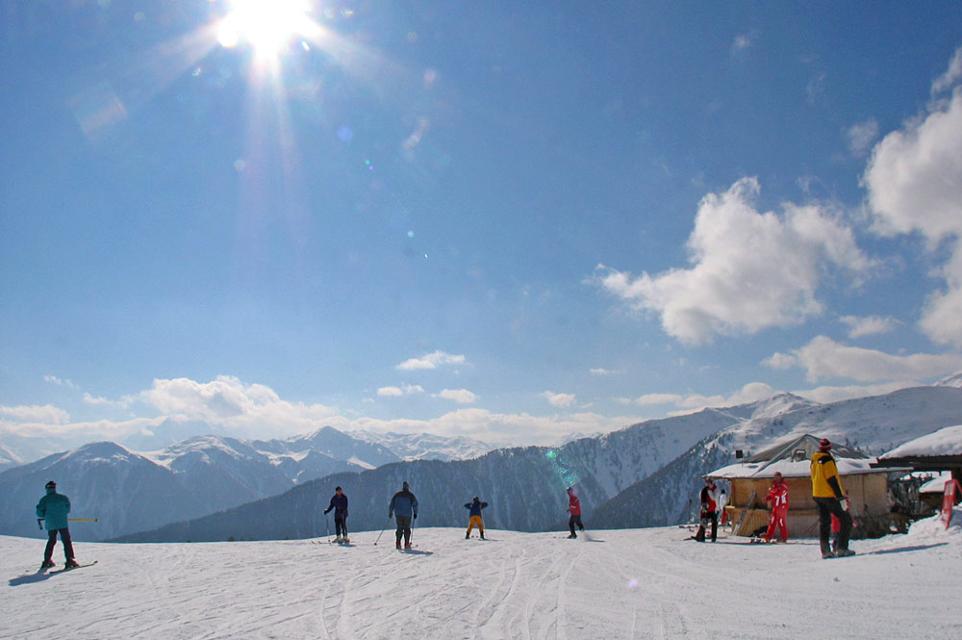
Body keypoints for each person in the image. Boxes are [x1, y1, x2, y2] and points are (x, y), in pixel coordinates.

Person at [811, 438, 854, 559]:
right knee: (846, 520)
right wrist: (840, 497)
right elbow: (832, 479)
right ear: (829, 448)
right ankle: (841, 548)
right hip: (829, 495)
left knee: (824, 523)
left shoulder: (814, 459)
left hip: (817, 494)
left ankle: (825, 551)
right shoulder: (828, 460)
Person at [35, 480, 78, 570]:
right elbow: (67, 510)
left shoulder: (44, 500)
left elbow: (39, 513)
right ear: (54, 488)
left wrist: (46, 515)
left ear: (47, 489)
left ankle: (47, 561)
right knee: (66, 541)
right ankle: (69, 560)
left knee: (51, 541)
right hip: (62, 523)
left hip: (51, 524)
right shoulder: (63, 498)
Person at [389, 481, 418, 550]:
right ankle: (407, 544)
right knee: (407, 529)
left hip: (398, 514)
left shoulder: (397, 495)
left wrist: (390, 512)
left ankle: (398, 543)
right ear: (407, 487)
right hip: (407, 515)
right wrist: (415, 513)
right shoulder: (411, 495)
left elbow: (392, 504)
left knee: (399, 528)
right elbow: (415, 504)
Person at [763, 472, 790, 543]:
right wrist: (767, 498)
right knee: (772, 522)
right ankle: (768, 537)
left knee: (781, 522)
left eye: (777, 477)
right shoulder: (774, 486)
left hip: (782, 506)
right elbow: (773, 494)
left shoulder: (784, 485)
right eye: (775, 477)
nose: (776, 479)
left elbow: (779, 493)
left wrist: (771, 492)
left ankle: (784, 538)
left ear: (780, 477)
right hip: (776, 506)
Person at [694, 478, 718, 542]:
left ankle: (713, 537)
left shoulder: (715, 489)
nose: (708, 484)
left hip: (713, 509)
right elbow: (701, 498)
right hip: (706, 509)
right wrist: (703, 505)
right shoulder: (704, 490)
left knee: (714, 523)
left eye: (709, 483)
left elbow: (714, 498)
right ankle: (701, 537)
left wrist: (709, 491)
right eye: (707, 483)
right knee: (703, 522)